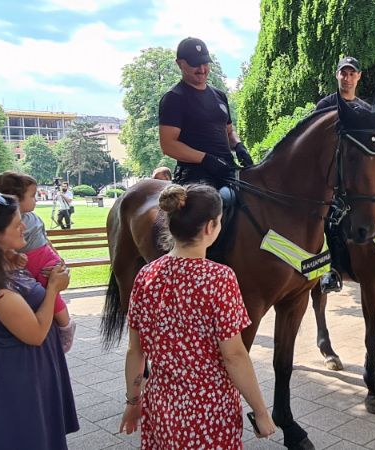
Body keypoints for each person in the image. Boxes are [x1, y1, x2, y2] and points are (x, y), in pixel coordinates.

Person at [119, 184, 276, 449]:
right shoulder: (220, 279)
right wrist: (260, 411)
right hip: (210, 410)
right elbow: (234, 355)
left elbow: (135, 350)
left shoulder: (146, 276)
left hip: (161, 406)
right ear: (209, 227)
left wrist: (133, 402)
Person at [0, 192, 79, 449]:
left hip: (28, 366)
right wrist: (54, 288)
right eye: (16, 223)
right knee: (27, 436)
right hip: (21, 373)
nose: (24, 225)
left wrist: (11, 259)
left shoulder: (2, 265)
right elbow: (35, 333)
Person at [0, 171, 76, 352]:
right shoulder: (4, 286)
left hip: (44, 261)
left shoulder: (33, 219)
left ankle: (65, 325)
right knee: (48, 291)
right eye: (32, 196)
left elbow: (45, 240)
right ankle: (65, 325)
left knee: (49, 289)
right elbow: (35, 336)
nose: (22, 227)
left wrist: (58, 258)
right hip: (25, 358)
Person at [158, 37, 254, 190]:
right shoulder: (174, 98)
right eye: (195, 64)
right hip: (194, 175)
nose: (202, 69)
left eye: (205, 63)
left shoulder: (219, 96)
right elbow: (168, 145)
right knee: (208, 205)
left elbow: (229, 132)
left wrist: (239, 146)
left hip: (227, 169)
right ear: (180, 64)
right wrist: (206, 159)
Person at [314, 56, 371, 292]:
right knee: (331, 220)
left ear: (358, 77)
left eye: (352, 73)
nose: (347, 78)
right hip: (330, 177)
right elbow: (314, 143)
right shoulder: (325, 105)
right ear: (337, 75)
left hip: (358, 178)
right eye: (343, 73)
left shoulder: (365, 109)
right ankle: (333, 271)